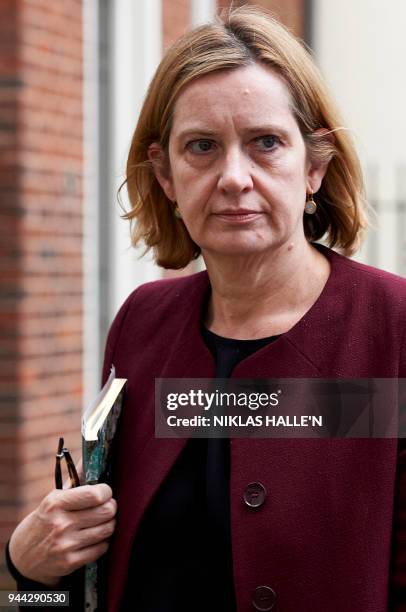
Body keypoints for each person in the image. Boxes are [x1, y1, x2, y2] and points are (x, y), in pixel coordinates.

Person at [6, 5, 406, 611]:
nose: (233, 177)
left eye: (266, 142)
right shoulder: (143, 324)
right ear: (165, 175)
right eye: (201, 147)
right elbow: (85, 590)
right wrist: (24, 575)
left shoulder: (390, 328)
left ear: (315, 166)